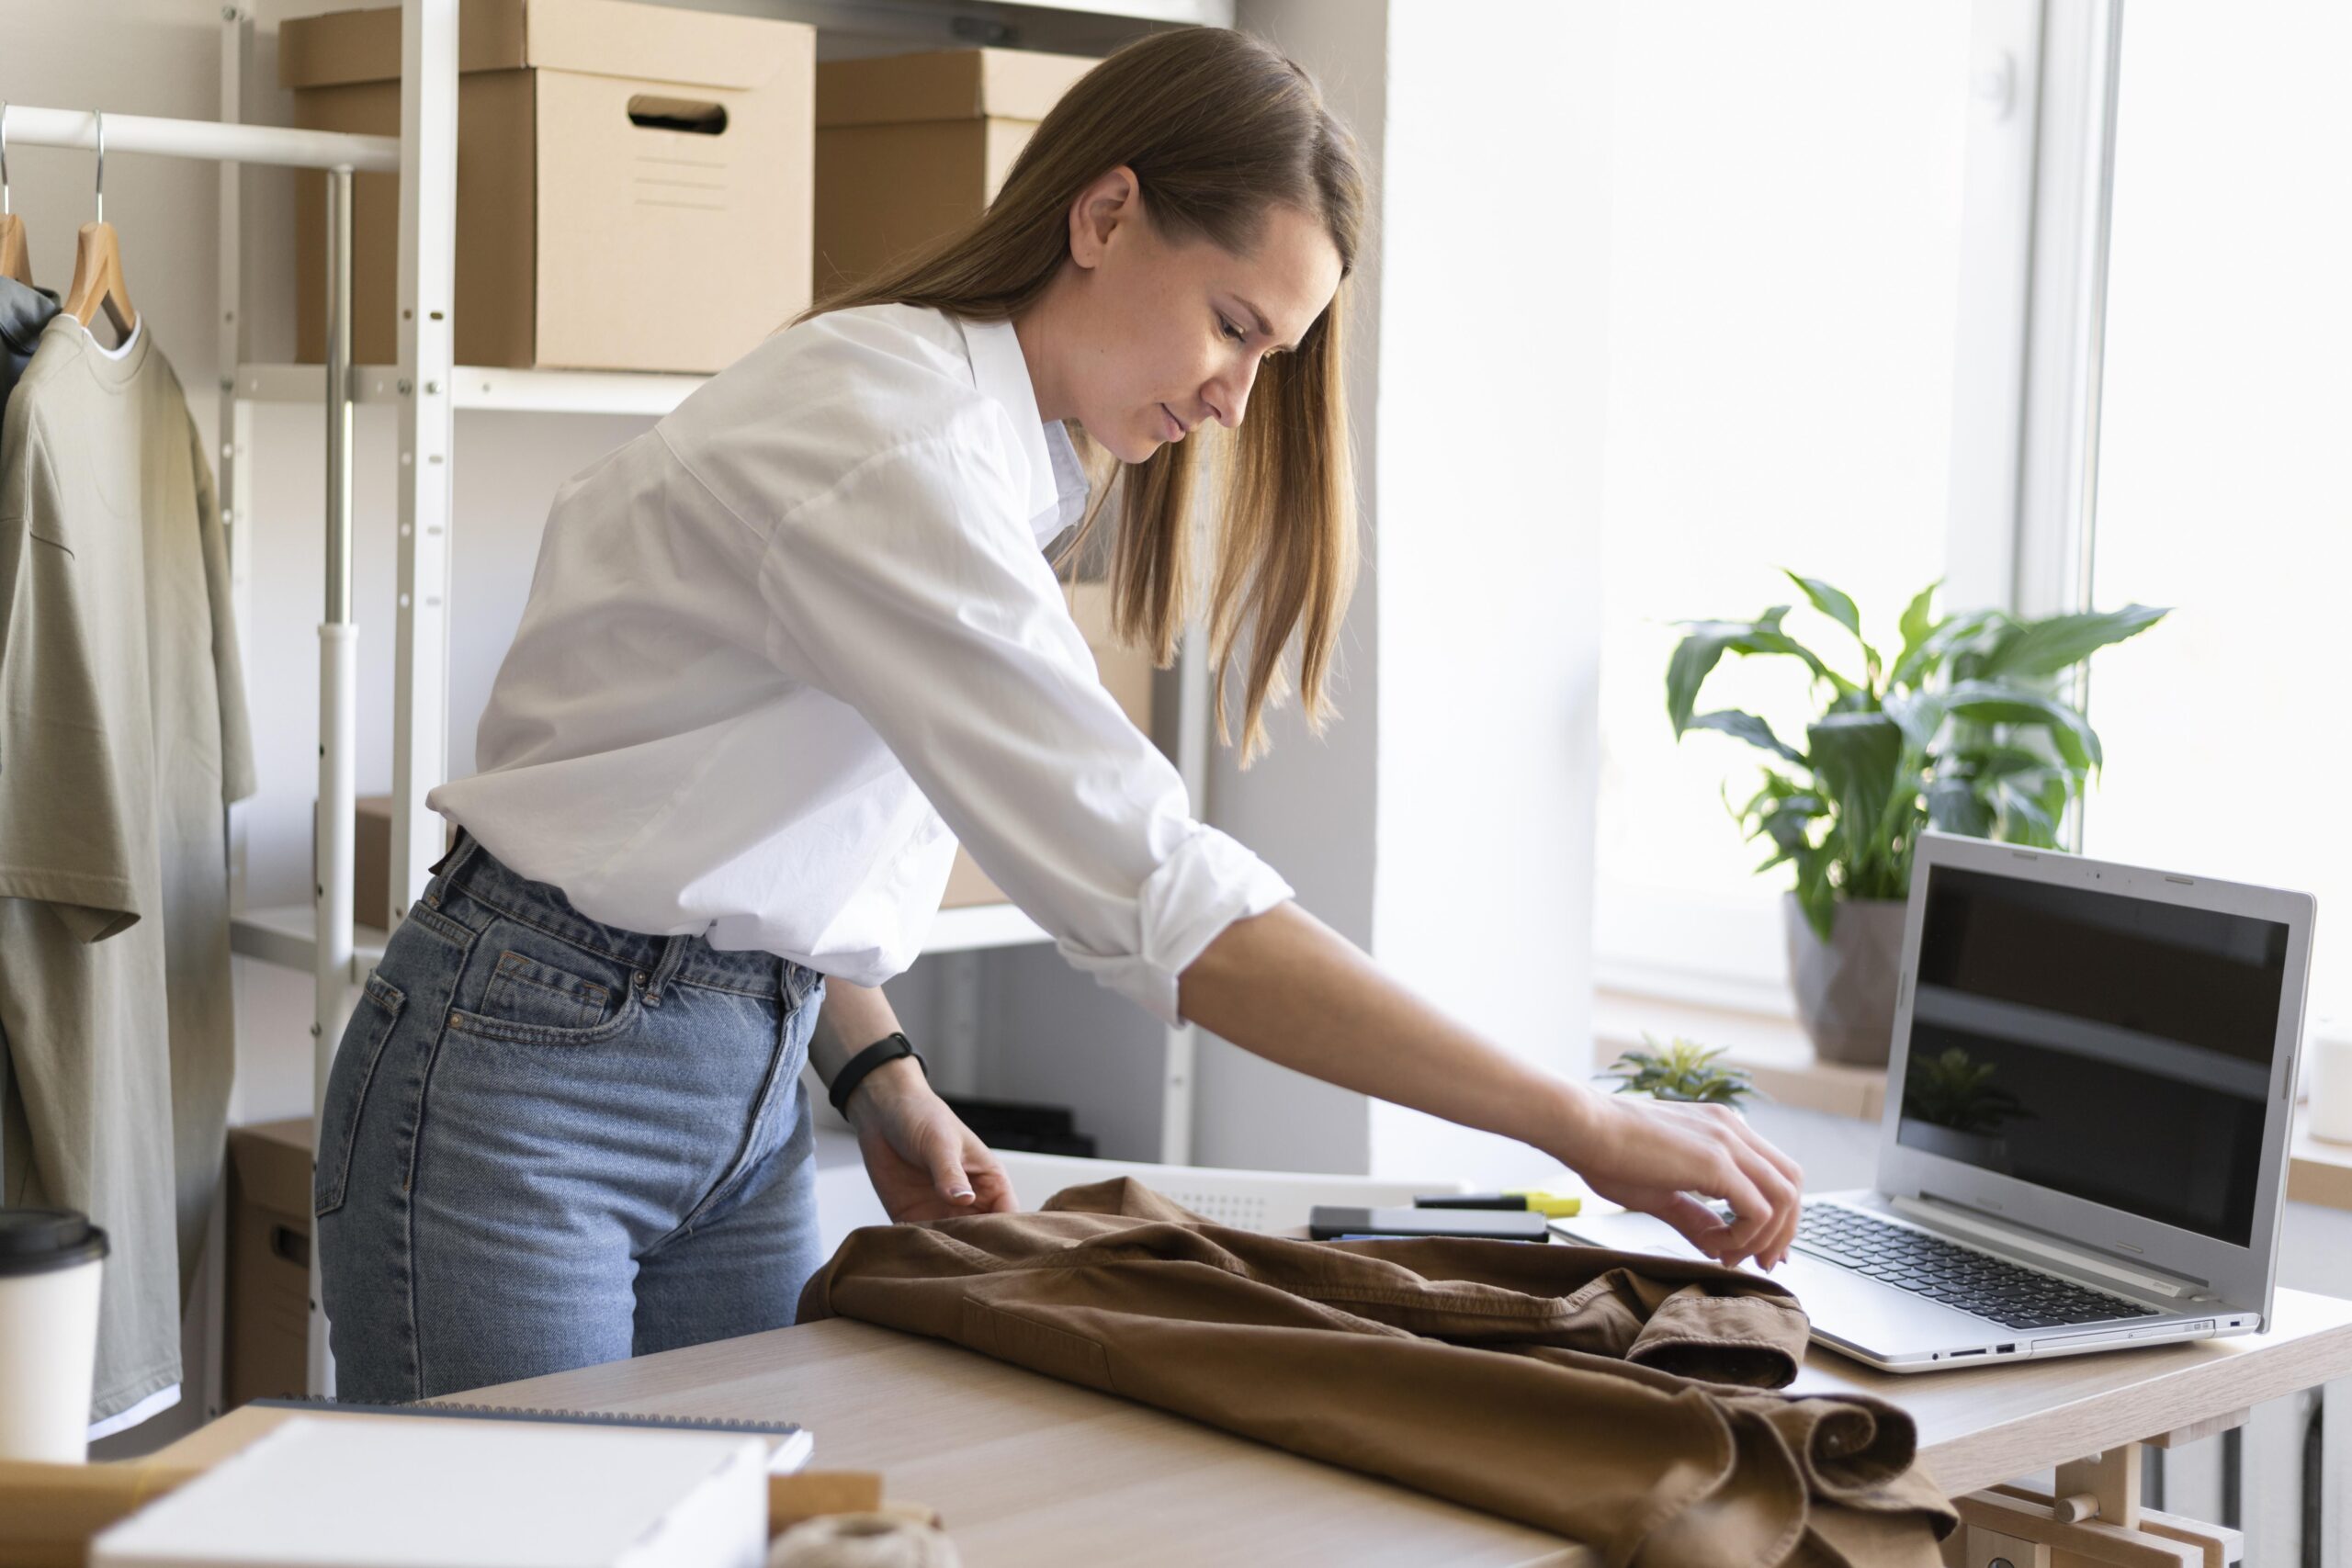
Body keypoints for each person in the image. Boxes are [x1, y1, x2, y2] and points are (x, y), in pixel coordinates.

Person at [316, 25, 1804, 1404]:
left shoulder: (1004, 460)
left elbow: (731, 814)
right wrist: (1582, 1125)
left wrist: (874, 1067)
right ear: (1103, 218)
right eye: (1232, 325)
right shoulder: (888, 442)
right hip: (530, 1085)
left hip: (748, 1088)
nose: (1234, 399)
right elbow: (1172, 907)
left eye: (1269, 356)